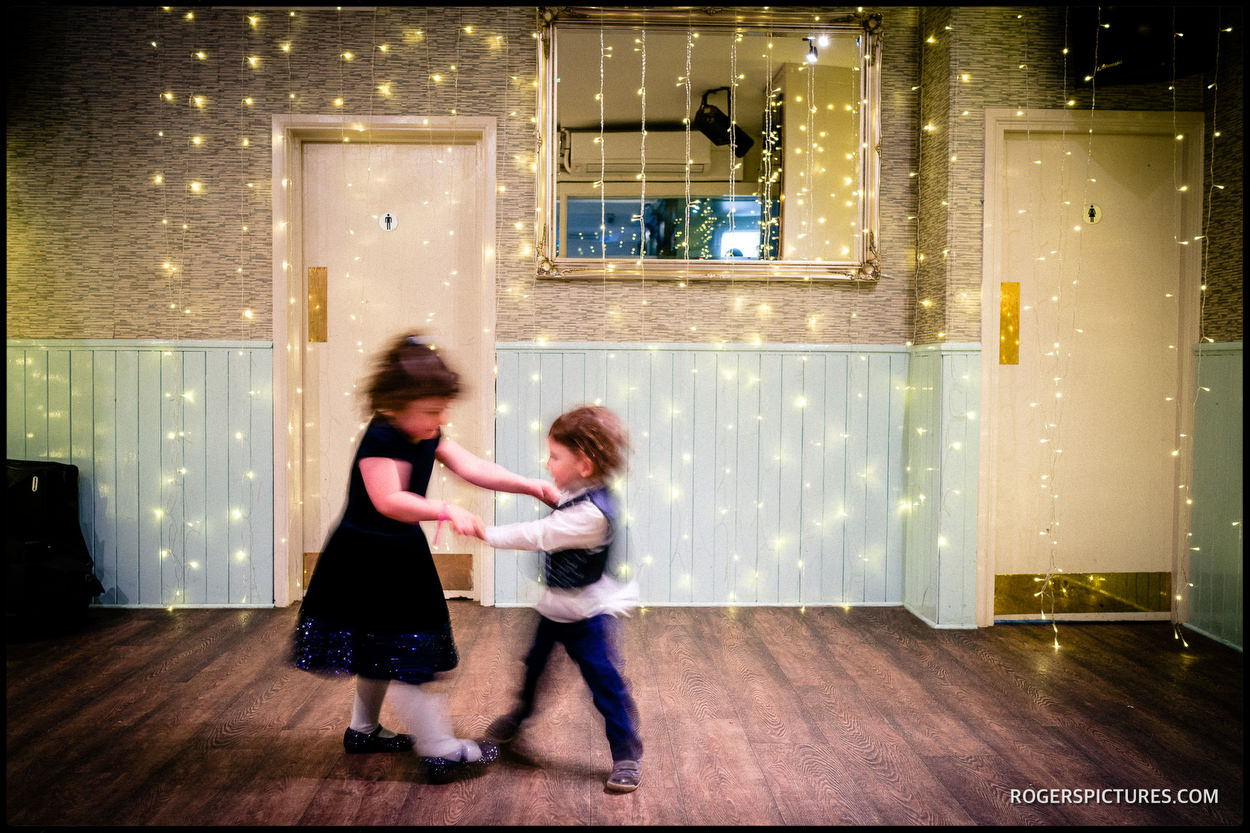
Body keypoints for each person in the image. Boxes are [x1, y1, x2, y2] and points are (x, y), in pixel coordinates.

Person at [292, 333, 560, 783]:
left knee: (380, 648)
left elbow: (470, 466)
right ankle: (439, 750)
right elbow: (388, 500)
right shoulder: (382, 435)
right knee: (406, 653)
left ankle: (363, 730)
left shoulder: (424, 429)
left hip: (396, 552)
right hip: (368, 558)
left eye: (443, 411)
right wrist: (444, 509)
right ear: (396, 405)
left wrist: (531, 485)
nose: (441, 419)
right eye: (434, 411)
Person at [475, 405, 644, 792]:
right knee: (534, 668)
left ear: (584, 464)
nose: (547, 463)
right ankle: (519, 718)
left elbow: (539, 534)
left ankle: (626, 752)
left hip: (587, 616)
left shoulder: (591, 516)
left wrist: (485, 532)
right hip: (556, 608)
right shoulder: (580, 493)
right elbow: (562, 506)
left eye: (554, 456)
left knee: (604, 683)